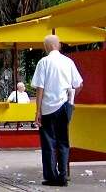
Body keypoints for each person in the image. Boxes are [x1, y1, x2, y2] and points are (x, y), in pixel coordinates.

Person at [31, 34, 83, 187]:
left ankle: (51, 176)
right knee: (63, 141)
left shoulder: (43, 62)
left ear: (46, 47)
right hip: (64, 106)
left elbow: (40, 88)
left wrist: (37, 111)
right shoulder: (68, 62)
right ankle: (63, 175)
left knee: (48, 143)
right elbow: (79, 84)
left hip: (48, 108)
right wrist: (70, 101)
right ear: (58, 45)